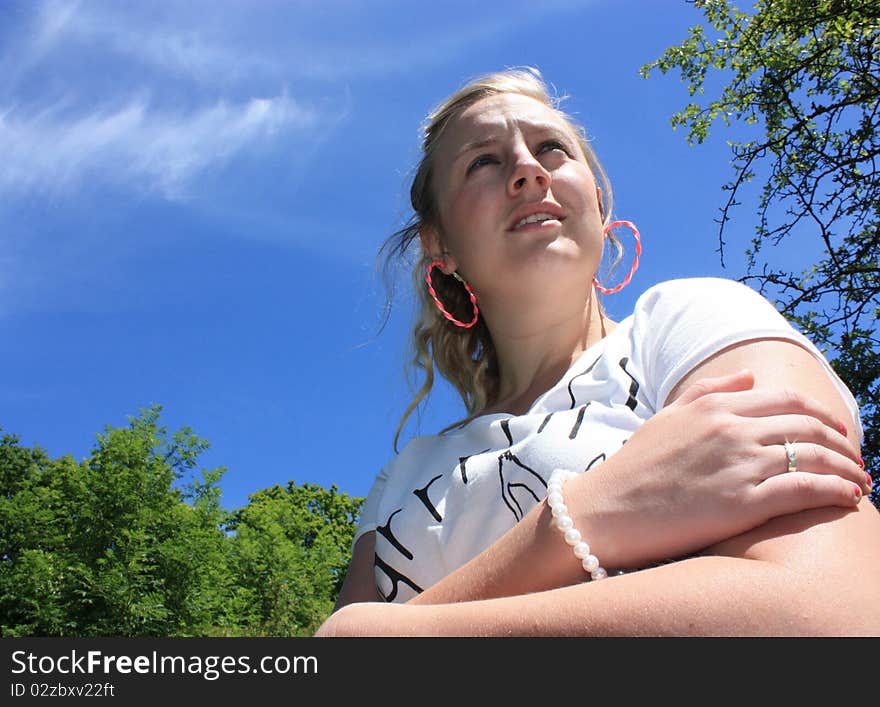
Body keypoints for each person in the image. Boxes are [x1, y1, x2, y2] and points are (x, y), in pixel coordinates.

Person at [316, 68, 880, 636]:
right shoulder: (405, 473)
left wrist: (367, 633)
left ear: (599, 201)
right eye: (483, 161)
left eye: (551, 149)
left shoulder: (691, 325)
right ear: (439, 244)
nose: (529, 170)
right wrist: (586, 515)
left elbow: (834, 614)